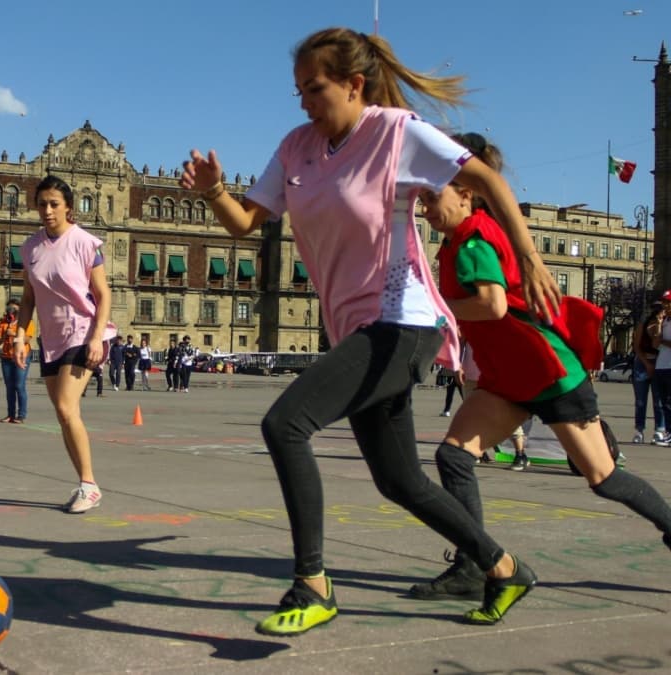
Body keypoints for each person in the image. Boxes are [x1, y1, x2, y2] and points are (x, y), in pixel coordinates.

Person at [179, 27, 563, 634]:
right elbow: (244, 222)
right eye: (298, 89)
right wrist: (214, 192)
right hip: (356, 330)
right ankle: (505, 568)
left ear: (355, 84)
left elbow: (486, 180)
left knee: (285, 424)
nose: (304, 100)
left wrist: (532, 257)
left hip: (404, 321)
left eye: (315, 87)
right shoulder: (297, 147)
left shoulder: (394, 131)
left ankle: (312, 582)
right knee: (400, 481)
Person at [410, 131, 671, 603]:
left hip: (549, 374)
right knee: (453, 457)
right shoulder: (463, 238)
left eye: (433, 198)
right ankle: (475, 564)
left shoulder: (473, 241)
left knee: (604, 478)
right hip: (510, 378)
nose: (426, 209)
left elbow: (489, 306)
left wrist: (436, 306)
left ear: (466, 192)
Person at [14, 174, 116, 514]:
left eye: (54, 204)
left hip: (83, 331)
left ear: (69, 207)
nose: (47, 210)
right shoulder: (30, 248)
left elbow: (103, 295)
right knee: (64, 415)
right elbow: (28, 298)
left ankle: (89, 486)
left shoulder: (85, 243)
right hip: (51, 339)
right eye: (41, 204)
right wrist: (20, 335)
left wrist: (97, 337)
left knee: (65, 408)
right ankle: (87, 484)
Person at [0, 298, 33, 423]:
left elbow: (27, 339)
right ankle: (10, 415)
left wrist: (13, 334)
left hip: (23, 356)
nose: (10, 310)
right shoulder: (3, 323)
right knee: (9, 387)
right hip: (6, 357)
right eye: (9, 308)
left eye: (13, 308)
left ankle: (21, 415)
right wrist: (5, 335)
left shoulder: (27, 322)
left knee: (19, 385)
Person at [634, 300, 666, 444]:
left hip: (659, 362)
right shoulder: (644, 324)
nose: (659, 312)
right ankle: (639, 430)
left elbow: (656, 344)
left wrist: (659, 326)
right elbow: (637, 346)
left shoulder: (665, 325)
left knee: (658, 401)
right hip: (642, 362)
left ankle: (659, 429)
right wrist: (646, 363)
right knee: (641, 400)